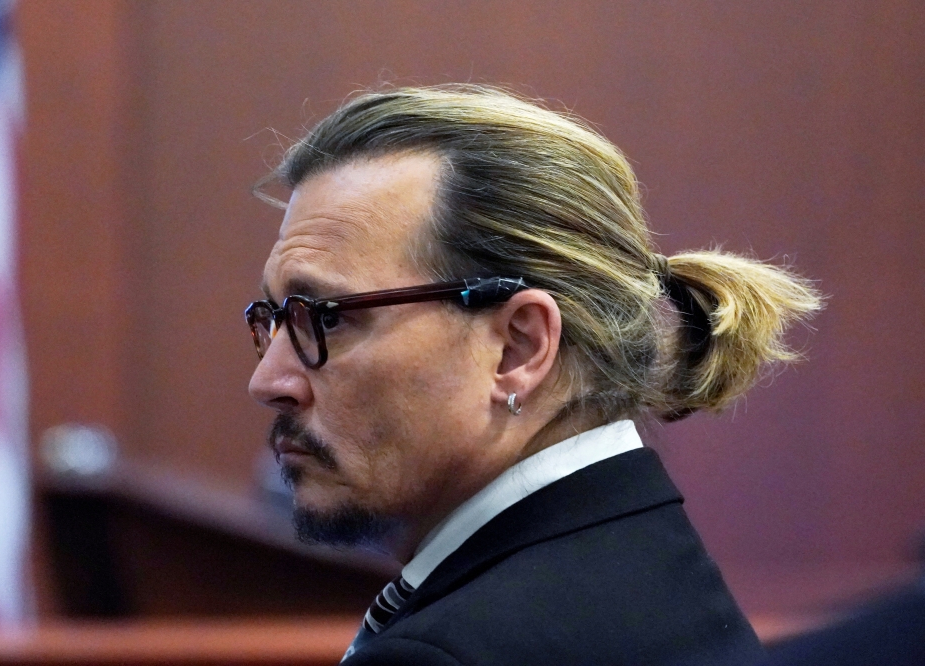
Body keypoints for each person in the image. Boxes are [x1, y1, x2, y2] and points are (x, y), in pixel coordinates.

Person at [245, 85, 821, 665]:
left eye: (328, 318)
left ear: (518, 348)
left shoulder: (448, 655)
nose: (269, 381)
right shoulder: (646, 566)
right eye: (272, 319)